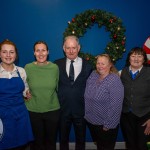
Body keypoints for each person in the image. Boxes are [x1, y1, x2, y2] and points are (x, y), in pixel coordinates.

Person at [54, 35, 93, 150]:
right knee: (63, 140)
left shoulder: (88, 65)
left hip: (81, 110)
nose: (71, 51)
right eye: (68, 48)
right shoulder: (56, 64)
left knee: (81, 140)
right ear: (63, 48)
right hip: (62, 109)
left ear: (79, 48)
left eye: (74, 48)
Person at [24, 41, 60, 150]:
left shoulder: (54, 68)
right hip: (33, 110)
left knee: (51, 142)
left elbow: (57, 87)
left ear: (48, 52)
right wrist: (25, 93)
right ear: (34, 53)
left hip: (52, 110)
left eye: (43, 50)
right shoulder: (28, 67)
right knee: (36, 143)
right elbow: (24, 85)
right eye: (37, 50)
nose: (40, 53)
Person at [84, 54, 124, 150]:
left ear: (110, 65)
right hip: (92, 122)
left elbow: (116, 105)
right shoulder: (94, 74)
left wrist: (108, 124)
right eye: (98, 63)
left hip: (105, 125)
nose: (100, 66)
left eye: (103, 63)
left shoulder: (114, 80)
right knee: (99, 146)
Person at [0, 39, 34, 150]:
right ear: (0, 54)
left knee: (21, 146)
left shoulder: (21, 71)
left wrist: (27, 94)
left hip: (20, 115)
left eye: (11, 52)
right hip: (2, 117)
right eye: (4, 52)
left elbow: (25, 89)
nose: (8, 55)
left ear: (16, 55)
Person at [120, 47, 150, 150]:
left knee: (142, 146)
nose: (136, 59)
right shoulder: (123, 72)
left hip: (145, 117)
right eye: (133, 56)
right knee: (130, 145)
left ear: (144, 59)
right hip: (126, 116)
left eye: (139, 56)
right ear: (129, 59)